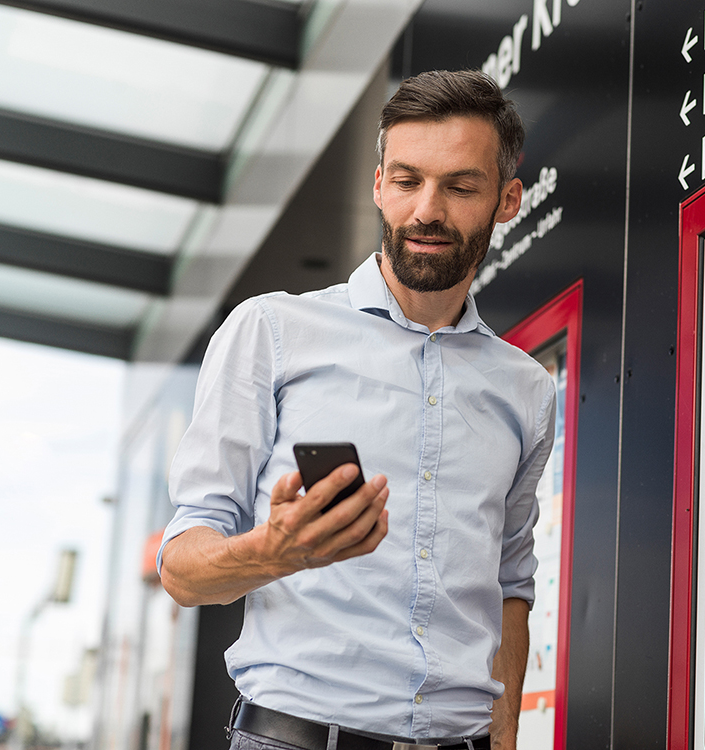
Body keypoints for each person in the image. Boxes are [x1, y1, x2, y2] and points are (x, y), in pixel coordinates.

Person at [158, 69, 556, 750]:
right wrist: (276, 550)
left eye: (460, 187)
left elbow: (510, 586)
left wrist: (506, 735)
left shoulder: (526, 389)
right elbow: (183, 570)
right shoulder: (271, 332)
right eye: (407, 181)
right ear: (378, 186)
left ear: (508, 199)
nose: (427, 209)